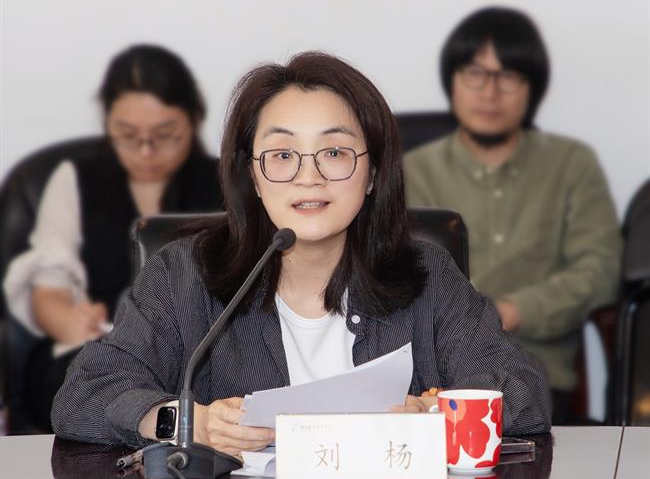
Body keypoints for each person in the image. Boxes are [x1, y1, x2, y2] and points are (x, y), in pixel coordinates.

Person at [52, 51, 551, 454]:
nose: (308, 177)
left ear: (373, 173)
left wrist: (437, 415)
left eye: (333, 152)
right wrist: (187, 423)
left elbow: (524, 395)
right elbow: (83, 396)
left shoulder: (426, 275)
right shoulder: (183, 275)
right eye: (283, 155)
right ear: (253, 175)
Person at [403, 7, 622, 423]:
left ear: (532, 88)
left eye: (508, 76)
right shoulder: (414, 171)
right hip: (430, 383)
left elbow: (600, 270)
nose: (490, 92)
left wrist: (516, 310)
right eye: (475, 73)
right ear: (452, 81)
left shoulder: (572, 164)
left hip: (538, 381)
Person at [4, 44, 224, 431]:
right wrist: (68, 320)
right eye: (127, 135)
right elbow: (48, 287)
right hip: (92, 349)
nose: (145, 151)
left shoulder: (228, 183)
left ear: (193, 120)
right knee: (80, 389)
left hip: (197, 354)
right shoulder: (76, 179)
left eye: (165, 135)